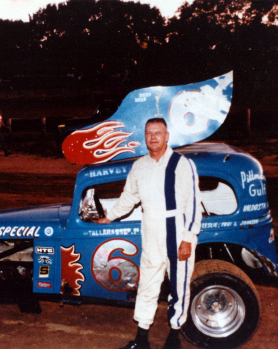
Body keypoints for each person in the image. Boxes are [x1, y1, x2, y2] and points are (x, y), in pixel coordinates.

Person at [95, 118, 201, 349]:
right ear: (145, 136)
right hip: (151, 231)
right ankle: (142, 339)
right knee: (147, 285)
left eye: (158, 133)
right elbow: (129, 197)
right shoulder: (140, 166)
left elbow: (194, 204)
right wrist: (109, 217)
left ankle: (174, 337)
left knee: (179, 285)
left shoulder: (182, 164)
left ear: (167, 136)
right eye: (149, 133)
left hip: (176, 231)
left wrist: (188, 238)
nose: (153, 137)